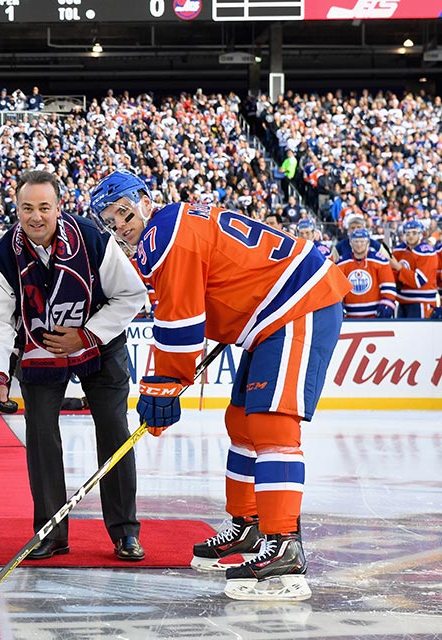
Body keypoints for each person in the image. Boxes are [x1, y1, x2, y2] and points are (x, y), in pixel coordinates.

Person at [89, 170, 351, 601]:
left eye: (123, 211)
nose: (120, 224)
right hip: (271, 316)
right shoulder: (172, 226)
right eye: (111, 219)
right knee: (241, 422)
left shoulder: (164, 237)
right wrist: (166, 382)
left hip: (299, 305)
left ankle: (284, 544)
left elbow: (181, 325)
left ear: (143, 200)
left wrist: (163, 385)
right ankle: (248, 528)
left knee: (272, 426)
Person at [0, 170, 148, 562]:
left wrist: (86, 335)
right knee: (41, 437)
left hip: (99, 343)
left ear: (58, 208)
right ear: (16, 209)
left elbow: (131, 295)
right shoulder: (0, 258)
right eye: (28, 208)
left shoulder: (93, 239)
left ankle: (125, 532)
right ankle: (51, 532)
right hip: (40, 347)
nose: (36, 217)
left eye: (44, 208)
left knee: (115, 430)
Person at [336, 228, 397, 318]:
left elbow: (388, 287)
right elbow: (336, 290)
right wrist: (338, 307)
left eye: (362, 242)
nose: (359, 245)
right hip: (350, 318)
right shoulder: (341, 263)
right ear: (350, 243)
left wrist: (386, 304)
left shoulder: (380, 261)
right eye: (356, 241)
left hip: (374, 317)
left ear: (368, 243)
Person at [391, 220, 439, 318]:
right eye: (408, 233)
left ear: (421, 234)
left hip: (421, 302)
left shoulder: (426, 251)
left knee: (418, 333)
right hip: (402, 301)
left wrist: (398, 267)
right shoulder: (399, 250)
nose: (411, 236)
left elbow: (419, 281)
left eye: (414, 233)